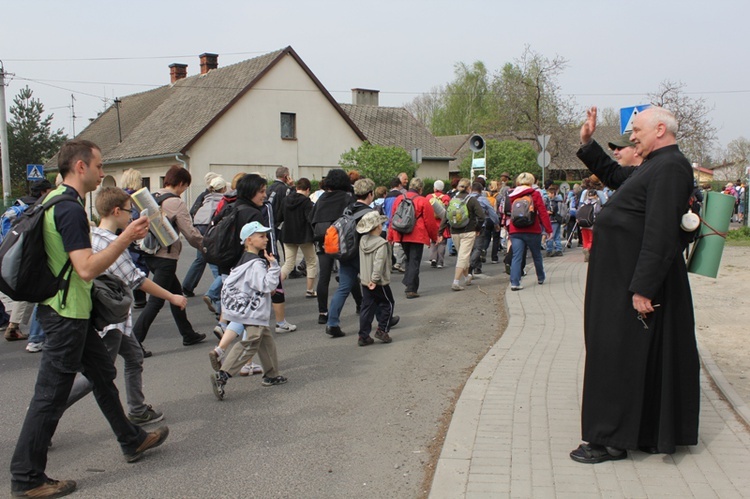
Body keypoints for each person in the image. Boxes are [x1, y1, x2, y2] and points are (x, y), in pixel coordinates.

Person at [10, 140, 169, 499]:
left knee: (102, 373)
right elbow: (85, 268)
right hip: (66, 315)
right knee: (49, 396)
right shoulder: (67, 209)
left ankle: (132, 439)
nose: (102, 172)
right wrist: (126, 236)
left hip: (68, 312)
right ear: (80, 167)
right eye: (98, 166)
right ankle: (27, 477)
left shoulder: (55, 200)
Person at [570, 106, 698, 464]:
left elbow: (660, 232)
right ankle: (634, 431)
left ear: (660, 129)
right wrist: (587, 142)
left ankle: (610, 440)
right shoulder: (655, 164)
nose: (633, 137)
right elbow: (613, 174)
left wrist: (643, 287)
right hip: (619, 279)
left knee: (616, 357)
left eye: (637, 130)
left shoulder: (671, 166)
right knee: (617, 355)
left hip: (630, 284)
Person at [65, 187, 188, 425]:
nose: (131, 217)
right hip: (110, 319)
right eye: (129, 212)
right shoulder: (114, 244)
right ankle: (50, 410)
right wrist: (173, 297)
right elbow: (137, 280)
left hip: (112, 317)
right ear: (115, 211)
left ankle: (138, 409)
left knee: (133, 357)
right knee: (96, 375)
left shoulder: (92, 236)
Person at [132, 165, 206, 352]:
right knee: (157, 301)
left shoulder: (152, 197)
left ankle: (188, 334)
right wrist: (205, 246)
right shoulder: (176, 203)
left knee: (176, 294)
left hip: (149, 253)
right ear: (180, 183)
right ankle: (134, 342)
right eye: (185, 186)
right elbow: (190, 233)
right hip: (166, 256)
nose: (184, 191)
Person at [211, 221, 287, 400]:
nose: (266, 239)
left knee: (266, 341)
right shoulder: (257, 264)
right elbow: (267, 285)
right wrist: (274, 266)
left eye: (265, 235)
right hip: (254, 310)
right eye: (261, 236)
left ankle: (271, 374)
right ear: (249, 240)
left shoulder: (244, 259)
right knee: (251, 342)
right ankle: (222, 375)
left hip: (246, 308)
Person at [4, 179, 54, 341]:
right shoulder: (36, 207)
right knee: (31, 292)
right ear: (43, 192)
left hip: (11, 250)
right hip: (27, 254)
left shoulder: (21, 204)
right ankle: (32, 335)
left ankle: (16, 326)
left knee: (25, 291)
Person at [309, 169, 360, 325]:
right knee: (349, 273)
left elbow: (311, 218)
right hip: (341, 241)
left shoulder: (322, 198)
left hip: (322, 240)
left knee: (323, 276)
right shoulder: (347, 198)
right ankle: (360, 303)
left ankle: (322, 312)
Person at [324, 178, 374, 337]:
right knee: (374, 286)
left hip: (346, 254)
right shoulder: (369, 213)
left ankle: (332, 323)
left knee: (343, 289)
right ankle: (384, 317)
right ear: (370, 194)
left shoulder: (348, 209)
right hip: (362, 255)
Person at [386, 177, 438, 299]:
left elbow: (393, 218)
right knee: (414, 261)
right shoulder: (423, 201)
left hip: (402, 233)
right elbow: (429, 222)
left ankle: (409, 282)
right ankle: (411, 288)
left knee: (409, 259)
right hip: (417, 235)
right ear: (420, 189)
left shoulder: (399, 198)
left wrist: (391, 235)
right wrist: (434, 237)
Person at [357, 211, 398, 346]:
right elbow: (379, 263)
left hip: (364, 279)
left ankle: (363, 336)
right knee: (388, 303)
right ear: (378, 227)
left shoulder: (363, 241)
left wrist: (368, 279)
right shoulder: (381, 243)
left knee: (367, 307)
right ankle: (382, 329)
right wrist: (375, 280)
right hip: (378, 281)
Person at [182, 175, 226, 297]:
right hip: (211, 233)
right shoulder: (222, 200)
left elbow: (193, 211)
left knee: (200, 259)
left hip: (199, 230)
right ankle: (217, 290)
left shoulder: (205, 197)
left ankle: (187, 286)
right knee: (215, 262)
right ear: (223, 189)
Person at [507, 173, 553, 291]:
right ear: (532, 182)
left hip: (515, 230)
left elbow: (508, 212)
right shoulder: (535, 194)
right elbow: (542, 212)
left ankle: (515, 282)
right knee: (536, 254)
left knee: (517, 256)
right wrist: (548, 229)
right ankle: (541, 277)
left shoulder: (512, 195)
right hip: (532, 229)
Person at [439, 178, 485, 291]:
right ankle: (456, 281)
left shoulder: (452, 200)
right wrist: (477, 228)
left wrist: (440, 231)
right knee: (463, 257)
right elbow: (481, 216)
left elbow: (446, 216)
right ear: (469, 188)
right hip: (468, 231)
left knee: (462, 256)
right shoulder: (472, 200)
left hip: (454, 232)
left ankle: (467, 277)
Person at [278, 177, 317, 297]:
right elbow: (310, 219)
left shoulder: (285, 200)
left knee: (288, 263)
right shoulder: (307, 203)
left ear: (297, 188)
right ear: (308, 189)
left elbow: (280, 217)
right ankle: (310, 290)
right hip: (304, 236)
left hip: (288, 234)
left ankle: (274, 285)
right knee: (311, 262)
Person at [120, 168, 149, 309]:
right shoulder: (138, 198)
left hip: (122, 236)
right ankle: (141, 297)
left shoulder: (119, 197)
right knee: (141, 265)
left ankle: (138, 298)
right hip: (136, 237)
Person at [428, 180, 450, 268]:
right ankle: (440, 262)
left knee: (433, 241)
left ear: (435, 188)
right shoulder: (446, 197)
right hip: (442, 223)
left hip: (432, 222)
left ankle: (433, 258)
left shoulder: (429, 197)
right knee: (442, 243)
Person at [544, 183, 564, 257]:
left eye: (548, 193)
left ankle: (549, 250)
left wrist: (547, 212)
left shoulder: (551, 201)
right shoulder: (560, 200)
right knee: (557, 235)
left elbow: (551, 211)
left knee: (550, 235)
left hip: (552, 220)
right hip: (558, 219)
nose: (548, 195)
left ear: (552, 194)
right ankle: (559, 249)